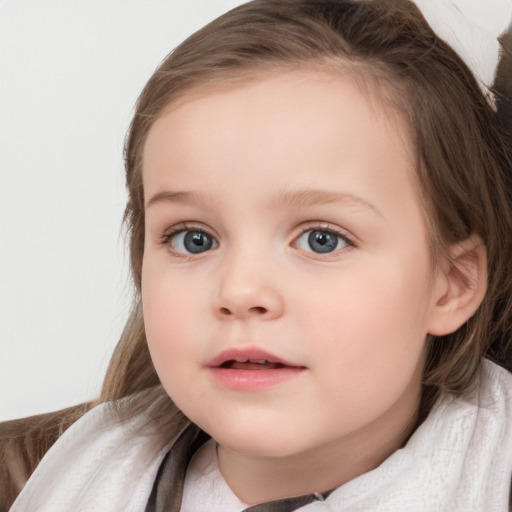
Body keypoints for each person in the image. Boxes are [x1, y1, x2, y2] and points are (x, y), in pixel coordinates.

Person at [2, 0, 512, 510]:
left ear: (452, 283)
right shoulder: (65, 478)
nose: (240, 291)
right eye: (193, 238)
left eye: (322, 239)